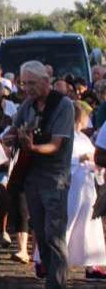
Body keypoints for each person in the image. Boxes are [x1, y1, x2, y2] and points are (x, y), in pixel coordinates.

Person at [3, 60, 74, 289]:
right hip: (31, 176)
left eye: (32, 83)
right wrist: (11, 137)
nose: (27, 88)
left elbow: (56, 145)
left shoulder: (63, 105)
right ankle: (50, 278)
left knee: (55, 236)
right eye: (24, 84)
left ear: (46, 81)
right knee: (41, 236)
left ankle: (57, 284)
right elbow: (13, 130)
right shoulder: (27, 105)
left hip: (55, 178)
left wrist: (32, 147)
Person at [56, 101, 106, 279]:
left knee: (89, 224)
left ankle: (92, 263)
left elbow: (97, 157)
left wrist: (96, 164)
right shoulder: (65, 137)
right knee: (68, 222)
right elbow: (61, 160)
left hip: (87, 186)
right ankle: (54, 262)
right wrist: (81, 158)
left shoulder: (83, 138)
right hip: (72, 186)